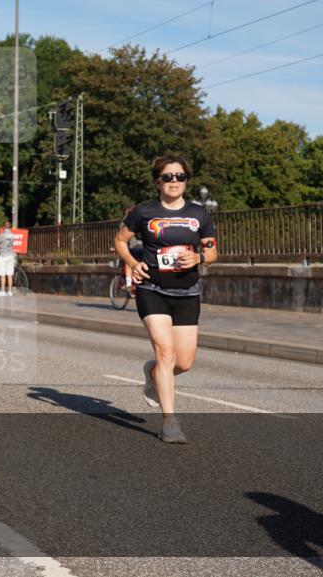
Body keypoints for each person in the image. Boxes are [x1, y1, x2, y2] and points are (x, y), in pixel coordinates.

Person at [114, 155, 218, 444]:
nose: (174, 181)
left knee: (184, 362)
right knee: (165, 352)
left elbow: (212, 252)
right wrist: (133, 264)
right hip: (152, 289)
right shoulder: (144, 212)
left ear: (186, 181)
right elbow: (120, 240)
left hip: (187, 292)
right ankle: (170, 422)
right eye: (168, 177)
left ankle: (153, 374)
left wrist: (199, 258)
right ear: (157, 182)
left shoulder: (200, 214)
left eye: (180, 176)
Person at [121, 205, 143, 298]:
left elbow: (121, 239)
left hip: (135, 246)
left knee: (128, 260)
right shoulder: (143, 217)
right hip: (146, 246)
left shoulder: (127, 221)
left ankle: (129, 284)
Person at [0, 220, 16, 297]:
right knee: (10, 274)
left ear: (4, 227)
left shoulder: (2, 235)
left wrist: (0, 246)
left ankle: (3, 291)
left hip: (3, 256)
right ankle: (10, 291)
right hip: (11, 256)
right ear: (10, 227)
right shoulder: (12, 235)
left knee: (2, 274)